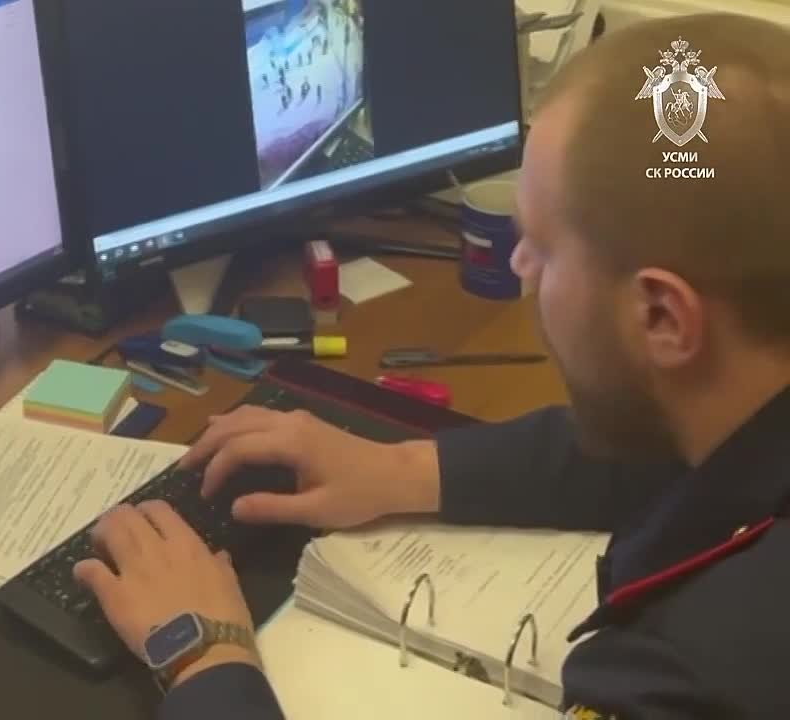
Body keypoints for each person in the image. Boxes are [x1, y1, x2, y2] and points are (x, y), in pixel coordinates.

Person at [73, 14, 790, 720]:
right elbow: (670, 454)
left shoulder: (694, 674)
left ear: (663, 317)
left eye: (542, 246)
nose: (520, 266)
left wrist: (202, 655)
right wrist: (403, 468)